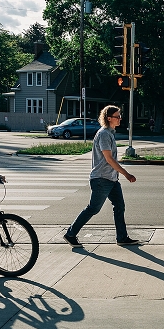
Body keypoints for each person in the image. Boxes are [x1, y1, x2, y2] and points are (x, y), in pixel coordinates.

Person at [64, 105, 139, 248]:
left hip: (111, 179)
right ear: (109, 118)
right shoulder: (104, 134)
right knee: (93, 209)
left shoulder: (109, 133)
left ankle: (122, 237)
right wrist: (126, 174)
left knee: (119, 206)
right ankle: (70, 234)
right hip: (101, 179)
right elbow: (109, 159)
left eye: (119, 116)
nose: (120, 119)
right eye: (117, 116)